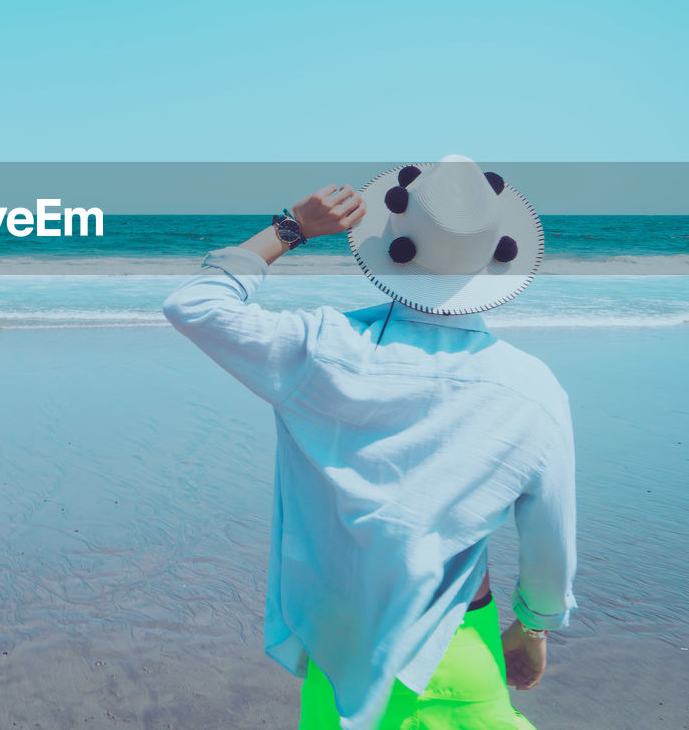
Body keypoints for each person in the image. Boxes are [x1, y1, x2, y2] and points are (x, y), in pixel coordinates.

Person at [162, 156, 577, 730]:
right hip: (460, 647)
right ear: (495, 257)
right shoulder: (533, 389)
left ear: (388, 246)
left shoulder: (321, 350)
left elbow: (196, 305)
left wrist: (293, 227)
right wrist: (533, 628)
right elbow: (548, 540)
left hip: (343, 648)